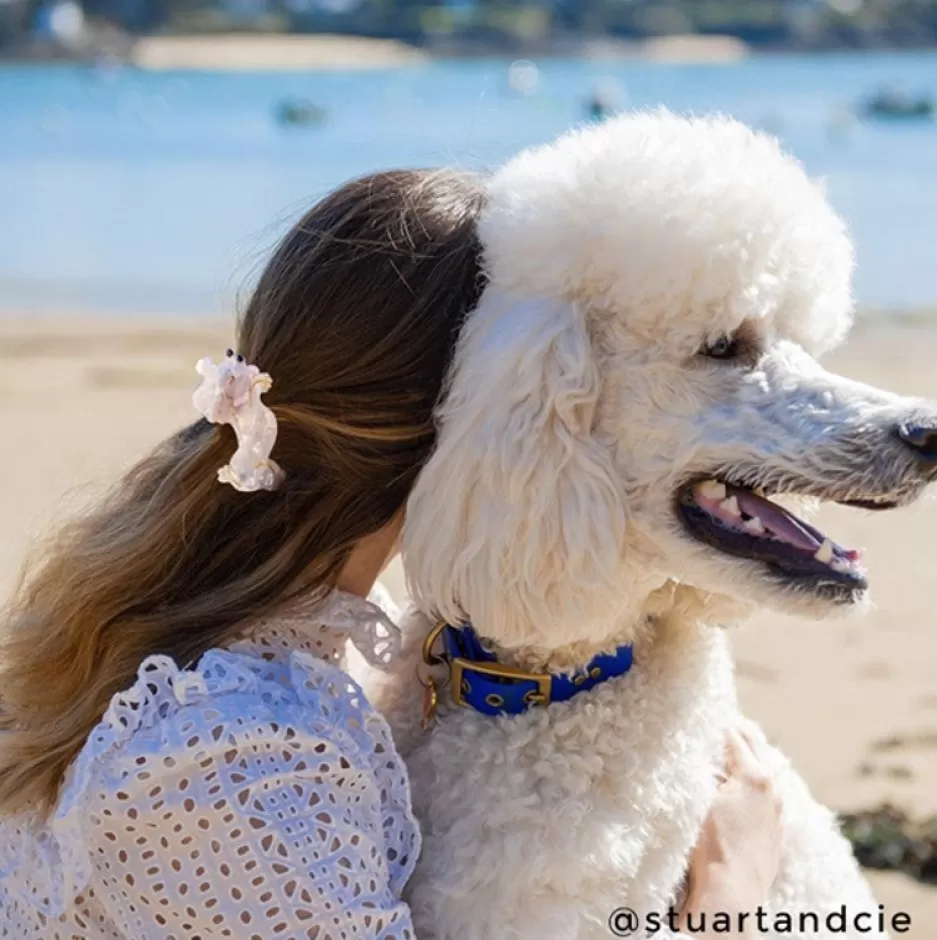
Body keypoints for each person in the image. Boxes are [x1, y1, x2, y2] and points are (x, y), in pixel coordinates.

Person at [0, 168, 782, 939]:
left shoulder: (232, 622)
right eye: (552, 396)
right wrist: (733, 892)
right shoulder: (238, 763)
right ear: (470, 413)